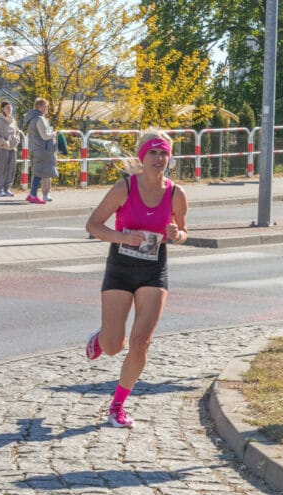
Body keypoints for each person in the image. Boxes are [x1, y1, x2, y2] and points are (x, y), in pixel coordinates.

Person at [83, 128, 189, 429]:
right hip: (120, 266)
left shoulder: (176, 193)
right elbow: (93, 225)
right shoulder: (125, 187)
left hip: (154, 270)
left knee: (141, 341)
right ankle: (102, 339)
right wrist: (121, 238)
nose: (159, 158)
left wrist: (176, 235)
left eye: (164, 153)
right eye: (153, 152)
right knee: (115, 344)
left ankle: (117, 405)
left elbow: (183, 231)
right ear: (143, 157)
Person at [24, 98, 58, 204]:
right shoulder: (39, 119)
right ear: (38, 107)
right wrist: (54, 134)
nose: (46, 108)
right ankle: (32, 195)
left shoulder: (32, 118)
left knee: (39, 172)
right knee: (40, 173)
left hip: (35, 148)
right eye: (44, 106)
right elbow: (44, 135)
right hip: (42, 149)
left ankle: (33, 194)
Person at [0, 100, 21, 197]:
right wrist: (4, 142)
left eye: (11, 107)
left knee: (11, 169)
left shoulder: (13, 120)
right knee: (2, 169)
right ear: (2, 109)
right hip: (2, 148)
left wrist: (17, 140)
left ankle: (7, 188)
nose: (10, 109)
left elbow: (17, 133)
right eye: (7, 107)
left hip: (13, 148)